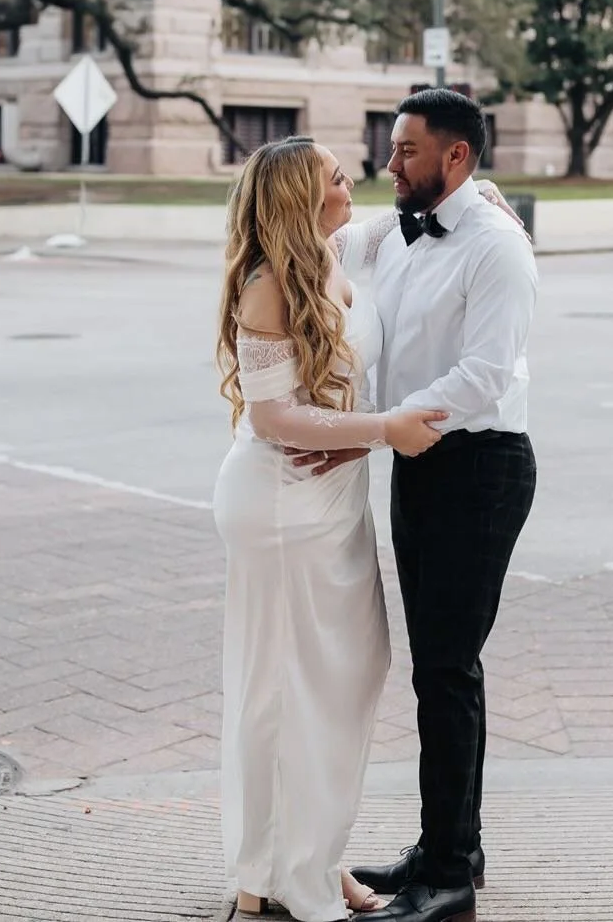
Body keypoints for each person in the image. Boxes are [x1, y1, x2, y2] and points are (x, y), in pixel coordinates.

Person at [302, 90, 538, 922]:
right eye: (391, 148)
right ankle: (452, 845)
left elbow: (484, 375)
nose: (388, 165)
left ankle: (449, 880)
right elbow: (318, 235)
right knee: (435, 667)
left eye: (405, 151)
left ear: (457, 158)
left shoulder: (497, 247)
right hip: (420, 462)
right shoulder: (398, 225)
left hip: (478, 465)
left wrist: (377, 429)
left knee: (446, 670)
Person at [213, 137, 448, 921]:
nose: (354, 185)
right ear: (300, 201)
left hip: (334, 501)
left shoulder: (328, 249)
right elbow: (276, 417)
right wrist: (387, 428)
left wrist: (482, 200)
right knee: (286, 691)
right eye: (338, 178)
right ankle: (266, 877)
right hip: (282, 505)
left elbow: (392, 223)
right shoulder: (268, 284)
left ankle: (310, 856)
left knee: (343, 679)